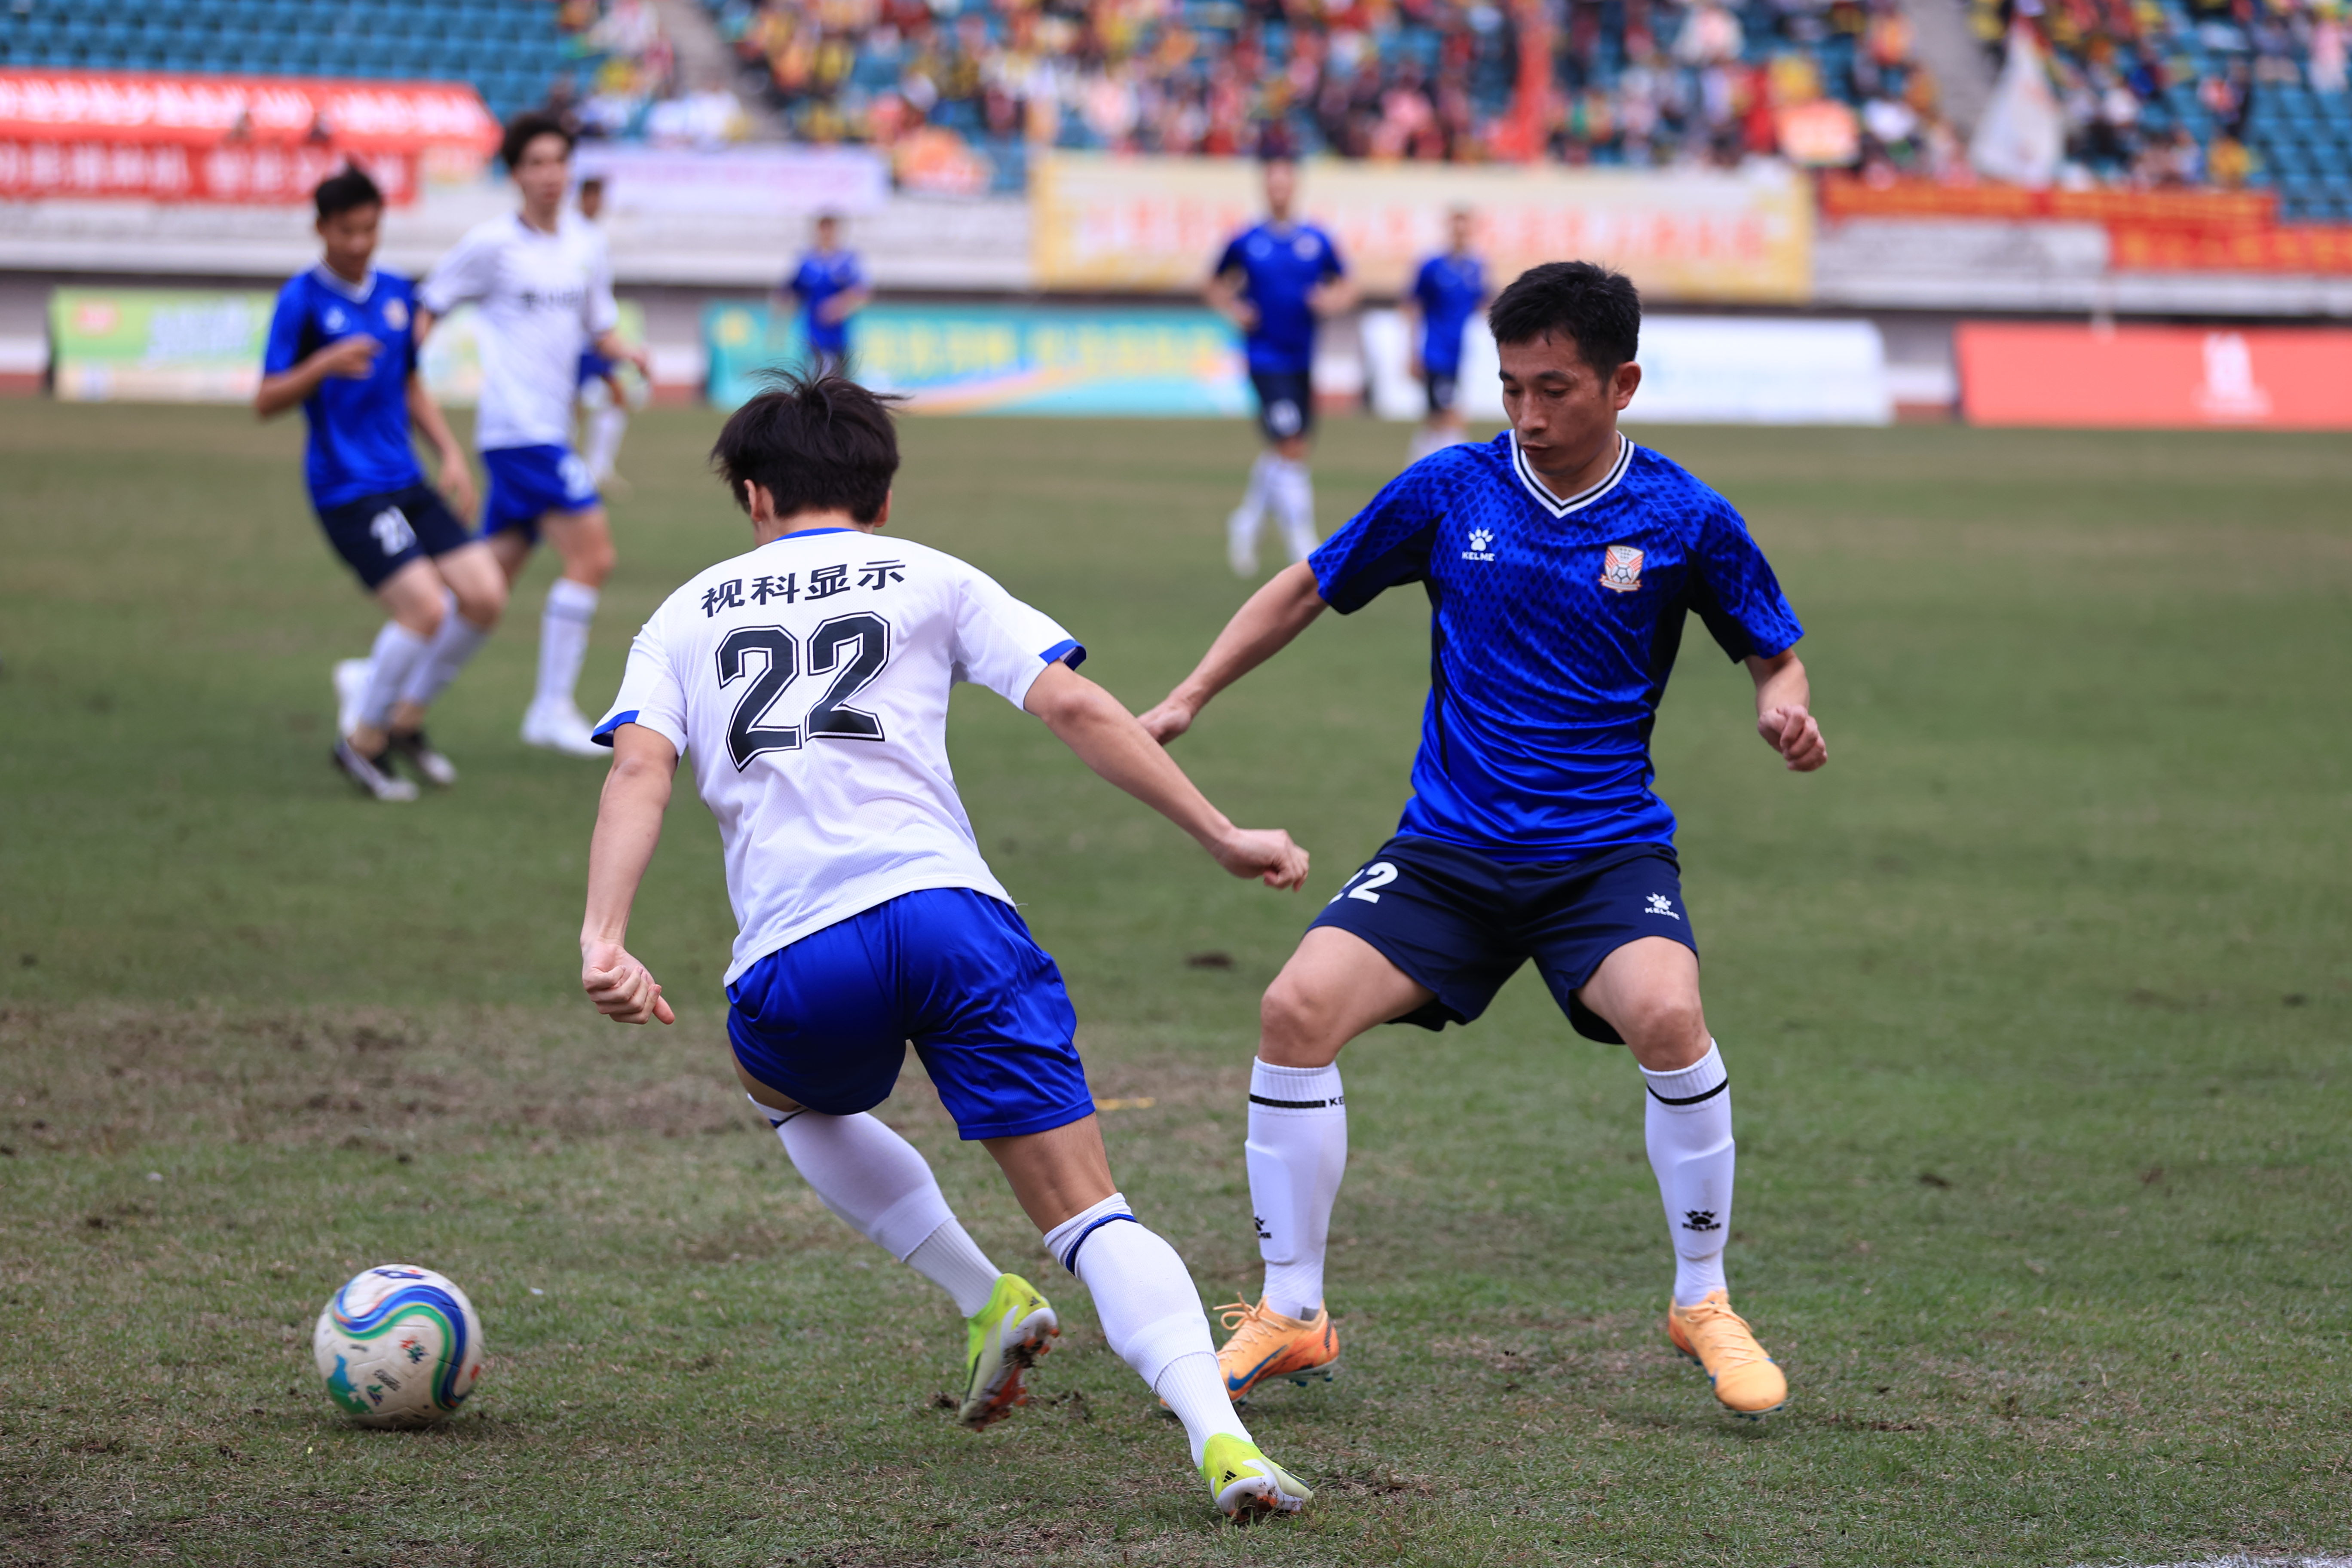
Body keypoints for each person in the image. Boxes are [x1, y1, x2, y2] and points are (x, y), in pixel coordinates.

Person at [577, 370, 1318, 1519]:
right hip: (955, 919)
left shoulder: (684, 612)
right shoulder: (933, 573)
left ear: (757, 494)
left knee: (781, 1089)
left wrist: (606, 938)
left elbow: (639, 767)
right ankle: (1223, 1445)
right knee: (1092, 1214)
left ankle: (983, 1296)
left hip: (800, 950)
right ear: (880, 493)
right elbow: (1074, 705)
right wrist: (1219, 832)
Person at [1139, 261, 1828, 1421]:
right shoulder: (1451, 489)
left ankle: (1702, 1300)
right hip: (1449, 853)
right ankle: (1292, 1312)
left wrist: (1781, 703)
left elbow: (1775, 646)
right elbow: (1307, 587)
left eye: (1555, 389)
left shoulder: (1685, 516)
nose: (1529, 415)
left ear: (1624, 384)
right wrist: (1192, 696)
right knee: (1293, 1010)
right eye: (1510, 387)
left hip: (1602, 855)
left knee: (1667, 1013)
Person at [257, 165, 508, 802]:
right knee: (426, 608)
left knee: (484, 595)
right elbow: (266, 399)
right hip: (348, 489)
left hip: (407, 479)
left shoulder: (397, 294)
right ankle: (360, 742)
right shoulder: (303, 300)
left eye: (371, 229)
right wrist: (322, 365)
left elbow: (410, 384)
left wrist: (449, 452)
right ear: (321, 229)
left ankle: (402, 717)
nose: (361, 242)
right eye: (348, 231)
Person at [416, 112, 650, 757]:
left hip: (552, 428)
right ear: (516, 174)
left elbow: (597, 325)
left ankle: (385, 681)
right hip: (518, 434)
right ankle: (549, 709)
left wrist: (625, 352)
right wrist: (398, 379)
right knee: (593, 557)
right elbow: (428, 305)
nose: (550, 175)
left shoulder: (586, 244)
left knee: (484, 585)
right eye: (536, 164)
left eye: (559, 162)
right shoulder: (491, 244)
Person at [1205, 157, 1354, 579]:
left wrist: (1332, 302)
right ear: (1264, 190)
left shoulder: (1316, 239)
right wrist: (1234, 310)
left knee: (1290, 447)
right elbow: (1214, 283)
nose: (1279, 191)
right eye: (1273, 185)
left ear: (1295, 189)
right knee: (1290, 443)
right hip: (1264, 358)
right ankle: (1301, 540)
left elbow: (1346, 284)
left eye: (1286, 184)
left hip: (1303, 358)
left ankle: (1246, 521)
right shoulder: (1248, 240)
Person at [1402, 206, 1488, 461]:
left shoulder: (1476, 268)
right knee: (1450, 416)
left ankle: (1418, 471)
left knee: (1437, 418)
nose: (1460, 234)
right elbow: (1413, 306)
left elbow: (1482, 304)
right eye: (1456, 228)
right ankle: (1455, 471)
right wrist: (1412, 352)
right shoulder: (1432, 266)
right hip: (1436, 353)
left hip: (1461, 354)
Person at [571, 175, 633, 489]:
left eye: (600, 197)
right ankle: (568, 468)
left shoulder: (596, 236)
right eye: (592, 196)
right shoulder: (570, 233)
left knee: (617, 395)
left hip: (596, 338)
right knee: (570, 405)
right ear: (582, 198)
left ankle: (599, 469)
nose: (597, 203)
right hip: (574, 337)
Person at [778, 213, 868, 374]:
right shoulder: (807, 261)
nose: (827, 235)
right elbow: (792, 291)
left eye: (830, 231)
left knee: (840, 382)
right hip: (813, 333)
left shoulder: (847, 260)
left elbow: (860, 292)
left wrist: (838, 305)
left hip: (839, 335)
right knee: (816, 378)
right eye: (823, 230)